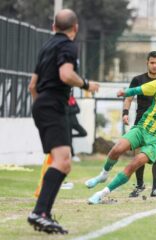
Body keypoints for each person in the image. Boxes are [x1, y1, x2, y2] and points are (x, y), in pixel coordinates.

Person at [27, 9, 99, 234]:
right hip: (52, 106)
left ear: (53, 27)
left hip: (41, 104)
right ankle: (40, 213)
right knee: (62, 162)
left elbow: (32, 86)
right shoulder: (68, 46)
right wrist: (87, 84)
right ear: (75, 28)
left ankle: (42, 214)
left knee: (62, 160)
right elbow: (66, 75)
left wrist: (42, 106)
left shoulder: (47, 46)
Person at [85, 62, 156, 205]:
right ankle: (103, 175)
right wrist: (125, 93)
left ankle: (102, 193)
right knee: (116, 149)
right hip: (142, 128)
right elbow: (138, 89)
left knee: (134, 163)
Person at [121, 51, 156, 198]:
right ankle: (140, 185)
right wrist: (125, 113)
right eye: (152, 62)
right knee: (138, 154)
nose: (154, 65)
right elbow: (129, 98)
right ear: (147, 63)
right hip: (141, 122)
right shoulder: (137, 80)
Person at [68, 93, 87, 162]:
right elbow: (64, 111)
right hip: (67, 123)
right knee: (69, 142)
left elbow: (78, 110)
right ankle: (72, 156)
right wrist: (72, 109)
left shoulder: (72, 99)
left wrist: (69, 110)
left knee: (84, 133)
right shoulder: (62, 99)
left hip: (75, 123)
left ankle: (70, 136)